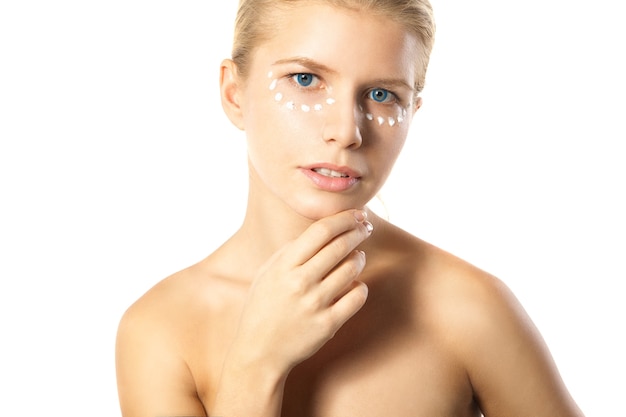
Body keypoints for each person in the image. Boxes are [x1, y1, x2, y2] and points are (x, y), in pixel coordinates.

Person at [115, 1, 585, 416]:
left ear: (413, 113)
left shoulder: (466, 308)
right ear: (234, 93)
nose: (346, 130)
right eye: (306, 80)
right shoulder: (160, 333)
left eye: (382, 95)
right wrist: (255, 366)